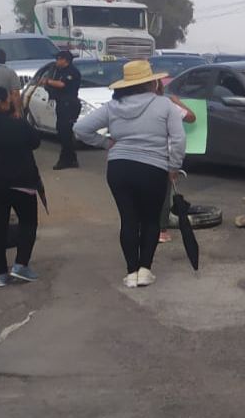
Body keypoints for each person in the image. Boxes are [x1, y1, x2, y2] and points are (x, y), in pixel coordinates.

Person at [74, 60, 186, 288]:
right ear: (151, 82)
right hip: (153, 168)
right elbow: (178, 139)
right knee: (151, 220)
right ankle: (145, 270)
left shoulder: (112, 106)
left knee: (128, 219)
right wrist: (173, 167)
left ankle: (131, 272)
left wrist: (106, 144)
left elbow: (80, 129)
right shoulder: (164, 105)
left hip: (119, 168)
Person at [0, 86, 42, 288]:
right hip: (21, 181)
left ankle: (0, 275)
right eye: (6, 100)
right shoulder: (16, 123)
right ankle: (20, 265)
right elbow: (35, 141)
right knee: (28, 223)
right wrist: (18, 113)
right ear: (0, 103)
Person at [157, 82, 197, 244]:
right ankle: (161, 230)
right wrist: (177, 101)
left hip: (137, 156)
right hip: (163, 155)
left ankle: (142, 226)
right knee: (163, 194)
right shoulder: (168, 105)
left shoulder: (130, 104)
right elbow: (191, 117)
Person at [43, 50, 83, 170]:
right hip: (61, 103)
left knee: (65, 132)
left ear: (65, 60)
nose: (57, 61)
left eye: (59, 59)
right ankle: (72, 158)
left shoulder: (72, 72)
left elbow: (62, 84)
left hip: (69, 104)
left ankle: (65, 159)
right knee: (62, 131)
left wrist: (48, 81)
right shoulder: (58, 71)